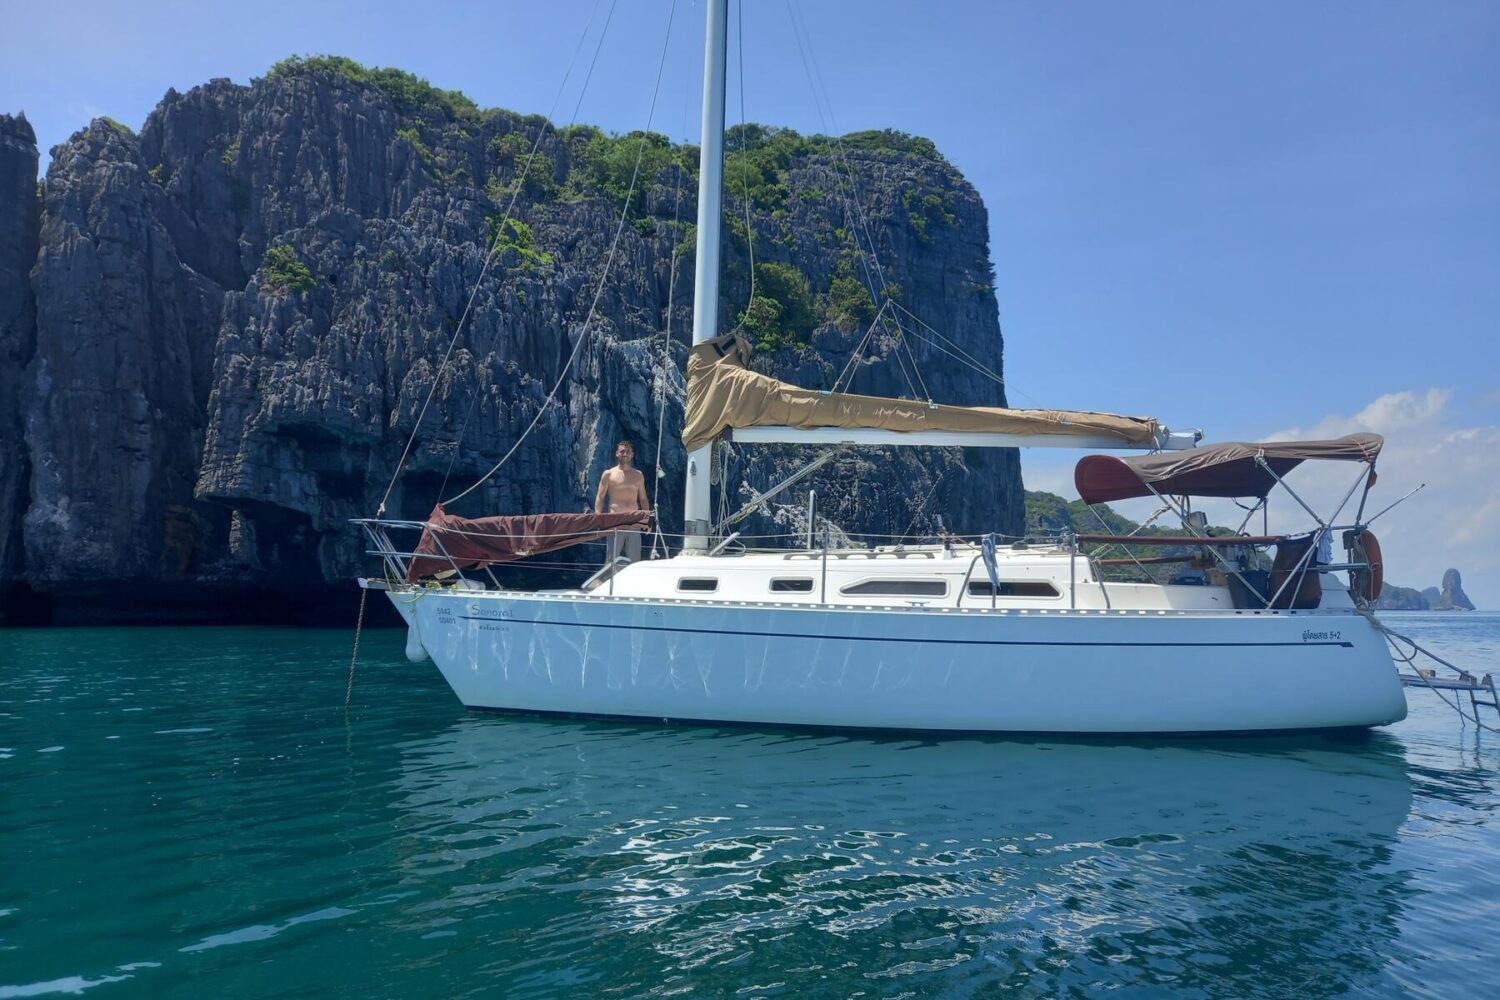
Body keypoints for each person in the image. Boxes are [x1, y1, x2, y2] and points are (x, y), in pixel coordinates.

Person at [595, 439, 650, 565]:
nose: (625, 453)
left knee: (635, 561)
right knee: (611, 560)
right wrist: (598, 517)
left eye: (628, 451)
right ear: (617, 454)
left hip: (634, 522)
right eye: (622, 451)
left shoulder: (638, 475)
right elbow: (600, 496)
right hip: (615, 521)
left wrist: (647, 519)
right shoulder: (608, 474)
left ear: (632, 454)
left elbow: (643, 498)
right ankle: (608, 582)